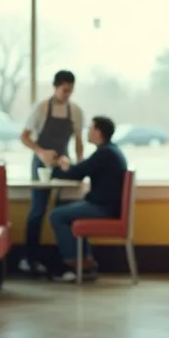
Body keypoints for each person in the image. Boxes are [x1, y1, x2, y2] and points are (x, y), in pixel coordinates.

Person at [19, 70, 86, 275]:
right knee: (37, 211)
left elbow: (78, 141)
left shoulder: (75, 111)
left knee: (62, 211)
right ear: (55, 87)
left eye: (70, 91)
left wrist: (80, 165)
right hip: (41, 164)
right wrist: (41, 152)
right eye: (64, 90)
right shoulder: (40, 108)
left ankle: (64, 261)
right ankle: (30, 258)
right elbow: (24, 137)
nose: (67, 94)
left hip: (63, 164)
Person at [48, 116, 127, 283]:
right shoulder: (111, 151)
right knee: (65, 210)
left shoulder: (104, 153)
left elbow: (76, 173)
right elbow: (83, 169)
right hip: (108, 206)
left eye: (90, 129)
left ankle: (75, 264)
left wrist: (57, 168)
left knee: (57, 215)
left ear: (98, 132)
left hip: (103, 208)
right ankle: (85, 262)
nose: (88, 133)